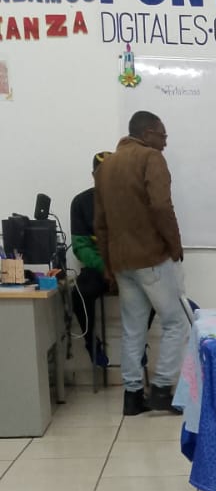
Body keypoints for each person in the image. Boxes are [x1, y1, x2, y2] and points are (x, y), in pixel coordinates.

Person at [94, 111, 187, 416]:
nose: (165, 142)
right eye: (163, 135)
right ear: (147, 134)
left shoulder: (106, 167)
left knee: (132, 329)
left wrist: (109, 265)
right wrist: (174, 245)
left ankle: (132, 396)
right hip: (151, 257)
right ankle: (161, 389)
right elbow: (161, 205)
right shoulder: (151, 158)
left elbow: (100, 223)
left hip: (122, 262)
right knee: (176, 322)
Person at [70, 151, 114, 369]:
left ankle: (140, 345)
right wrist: (105, 268)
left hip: (128, 268)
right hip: (99, 268)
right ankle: (92, 344)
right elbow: (81, 247)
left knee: (156, 291)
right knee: (78, 293)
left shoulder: (132, 201)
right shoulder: (81, 202)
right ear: (93, 175)